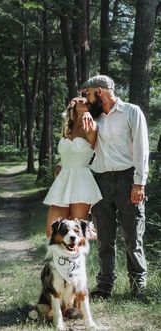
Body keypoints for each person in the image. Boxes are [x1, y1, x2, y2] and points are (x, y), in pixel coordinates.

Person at [80, 75, 149, 300]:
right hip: (99, 181)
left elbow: (141, 150)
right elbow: (84, 147)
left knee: (132, 236)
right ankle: (104, 287)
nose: (87, 99)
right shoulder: (92, 117)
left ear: (99, 92)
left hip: (127, 180)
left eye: (88, 94)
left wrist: (139, 182)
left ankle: (138, 286)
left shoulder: (131, 112)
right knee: (104, 239)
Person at [43, 97, 102, 238]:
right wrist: (60, 164)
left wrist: (89, 116)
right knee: (52, 231)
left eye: (87, 100)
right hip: (63, 180)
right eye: (81, 99)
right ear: (73, 105)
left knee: (76, 230)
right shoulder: (67, 128)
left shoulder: (91, 126)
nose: (84, 99)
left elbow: (93, 150)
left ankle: (88, 239)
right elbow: (69, 152)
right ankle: (89, 233)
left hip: (81, 180)